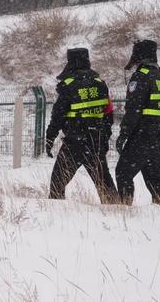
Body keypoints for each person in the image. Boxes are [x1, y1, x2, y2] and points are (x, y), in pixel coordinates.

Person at [46, 48, 118, 204]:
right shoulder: (100, 84)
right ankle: (118, 213)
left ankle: (55, 213)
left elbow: (58, 115)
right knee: (105, 184)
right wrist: (104, 138)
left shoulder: (68, 84)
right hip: (95, 140)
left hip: (74, 142)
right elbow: (108, 114)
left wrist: (50, 137)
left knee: (57, 184)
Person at [115, 40, 160, 205]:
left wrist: (124, 134)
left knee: (123, 172)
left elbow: (134, 110)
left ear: (138, 57)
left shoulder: (140, 77)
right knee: (155, 176)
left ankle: (125, 211)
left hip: (143, 133)